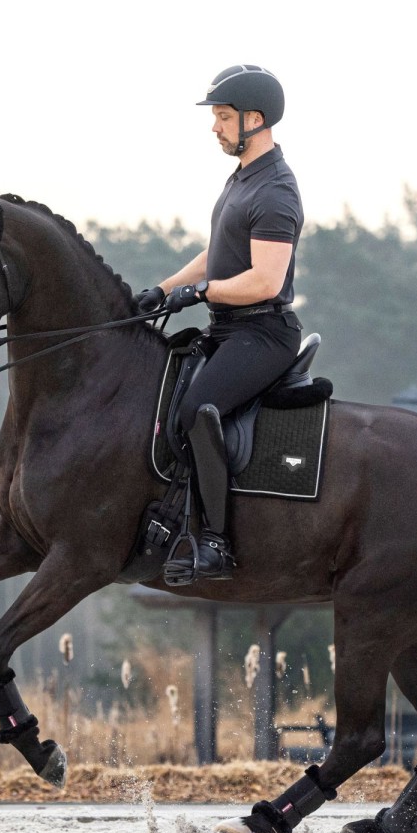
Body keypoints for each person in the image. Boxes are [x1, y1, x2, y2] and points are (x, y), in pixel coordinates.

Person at [133, 64, 304, 583]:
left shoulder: (276, 190)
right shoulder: (242, 179)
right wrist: (162, 290)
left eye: (224, 117)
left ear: (255, 119)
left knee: (197, 408)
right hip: (230, 328)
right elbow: (219, 253)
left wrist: (200, 293)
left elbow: (265, 281)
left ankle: (215, 541)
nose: (215, 127)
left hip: (263, 332)